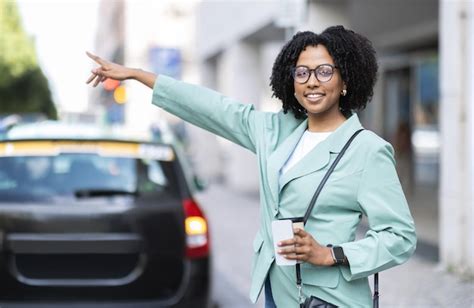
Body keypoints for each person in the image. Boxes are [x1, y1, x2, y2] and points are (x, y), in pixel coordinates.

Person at [86, 25, 417, 307]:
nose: (312, 81)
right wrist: (138, 75)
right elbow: (215, 108)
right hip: (279, 288)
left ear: (345, 79)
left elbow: (400, 237)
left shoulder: (367, 150)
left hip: (329, 298)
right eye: (302, 72)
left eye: (324, 71)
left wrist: (331, 254)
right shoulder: (276, 131)